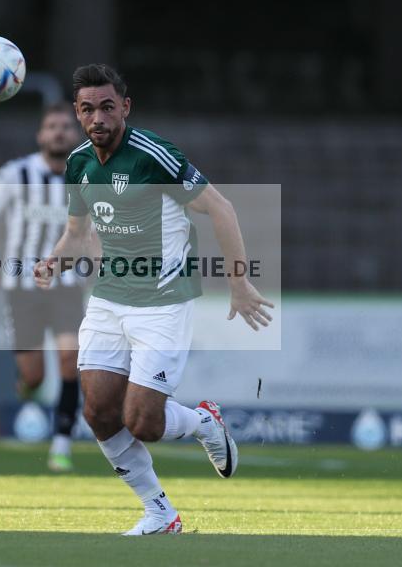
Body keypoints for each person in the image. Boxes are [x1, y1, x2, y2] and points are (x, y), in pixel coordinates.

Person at [35, 64, 274, 534]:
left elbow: (220, 207)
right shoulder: (79, 164)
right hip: (108, 300)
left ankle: (203, 423)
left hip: (163, 303)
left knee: (143, 421)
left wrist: (239, 283)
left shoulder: (153, 155)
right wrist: (53, 262)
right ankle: (160, 513)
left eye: (107, 107)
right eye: (88, 109)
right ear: (78, 114)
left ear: (125, 107)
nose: (98, 118)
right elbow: (76, 233)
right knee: (98, 413)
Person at [0, 103, 86, 472]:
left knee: (70, 357)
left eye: (65, 126)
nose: (59, 132)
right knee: (34, 375)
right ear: (41, 135)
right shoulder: (16, 172)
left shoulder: (87, 176)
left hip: (67, 283)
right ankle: (27, 385)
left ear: (75, 134)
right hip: (22, 286)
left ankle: (62, 444)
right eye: (52, 126)